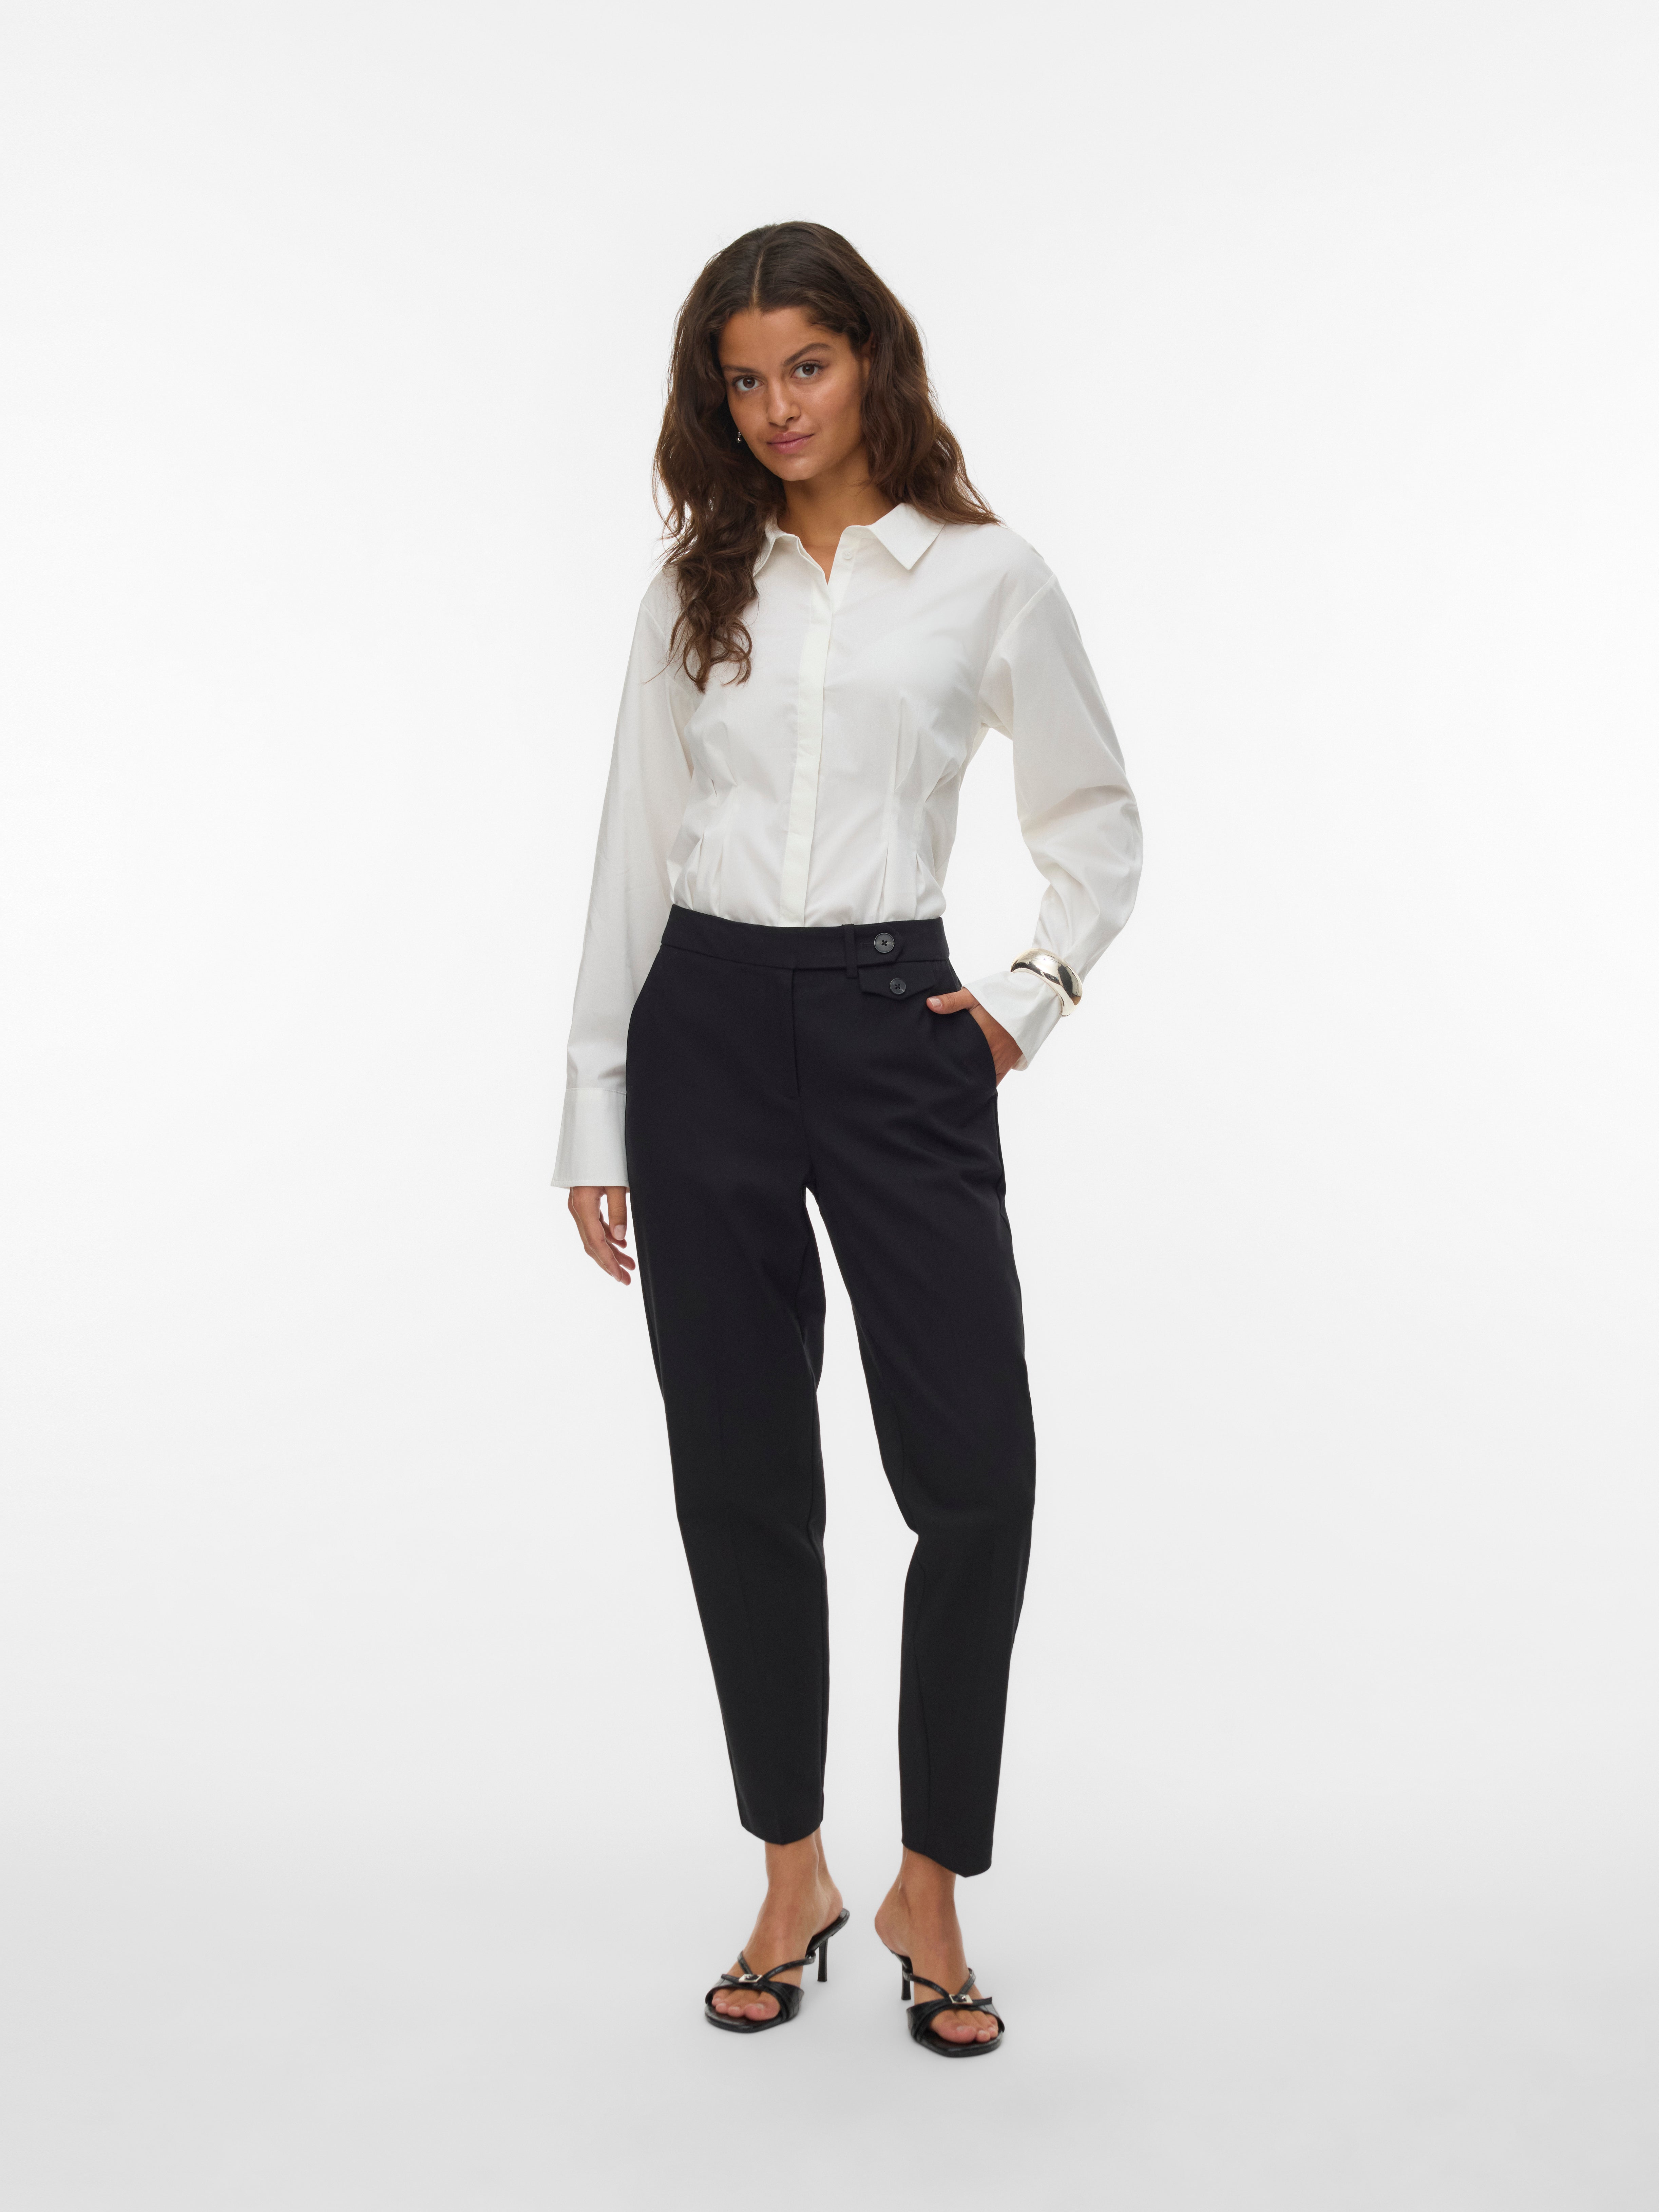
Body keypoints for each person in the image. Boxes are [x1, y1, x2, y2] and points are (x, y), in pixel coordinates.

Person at [553, 221, 1141, 2054]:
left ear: (873, 357)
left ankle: (929, 1887)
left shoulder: (987, 576)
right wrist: (594, 1106)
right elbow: (634, 840)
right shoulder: (697, 583)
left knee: (976, 1476)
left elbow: (1098, 823)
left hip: (900, 1031)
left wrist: (1024, 1001)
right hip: (706, 1027)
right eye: (743, 380)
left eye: (805, 365)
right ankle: (793, 1871)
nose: (777, 407)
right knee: (740, 1472)